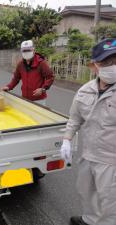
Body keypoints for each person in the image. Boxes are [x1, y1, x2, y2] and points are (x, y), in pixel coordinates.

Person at [60, 38, 116, 225]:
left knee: (110, 202)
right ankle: (90, 219)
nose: (112, 66)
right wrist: (67, 139)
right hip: (88, 155)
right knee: (86, 192)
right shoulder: (86, 90)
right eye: (106, 62)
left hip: (111, 160)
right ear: (94, 66)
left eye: (115, 61)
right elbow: (75, 118)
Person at [0, 40, 54, 105]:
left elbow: (50, 77)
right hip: (25, 99)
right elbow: (16, 78)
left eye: (28, 50)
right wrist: (9, 87)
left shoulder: (41, 63)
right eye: (24, 51)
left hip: (39, 100)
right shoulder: (20, 64)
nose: (26, 52)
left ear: (33, 50)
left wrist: (43, 89)